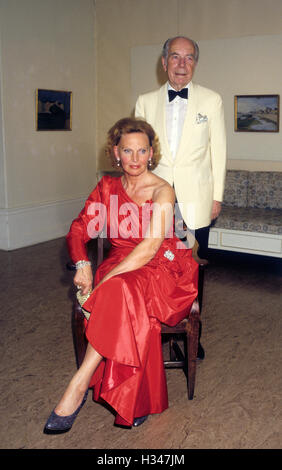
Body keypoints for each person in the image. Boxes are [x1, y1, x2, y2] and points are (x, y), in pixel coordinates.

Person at [43, 117, 198, 434]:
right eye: (128, 151)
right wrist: (82, 263)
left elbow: (150, 247)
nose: (136, 159)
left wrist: (102, 282)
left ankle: (79, 382)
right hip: (120, 264)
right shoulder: (107, 187)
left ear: (152, 153)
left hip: (162, 266)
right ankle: (132, 399)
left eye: (143, 151)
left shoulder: (162, 191)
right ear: (115, 153)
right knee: (121, 291)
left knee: (117, 288)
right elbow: (78, 229)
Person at [135, 36, 227, 261]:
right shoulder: (144, 102)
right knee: (155, 259)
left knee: (193, 260)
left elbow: (219, 152)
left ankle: (195, 298)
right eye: (175, 57)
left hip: (197, 196)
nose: (182, 65)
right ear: (164, 63)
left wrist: (217, 197)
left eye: (189, 58)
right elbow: (137, 154)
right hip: (155, 194)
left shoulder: (212, 100)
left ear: (195, 64)